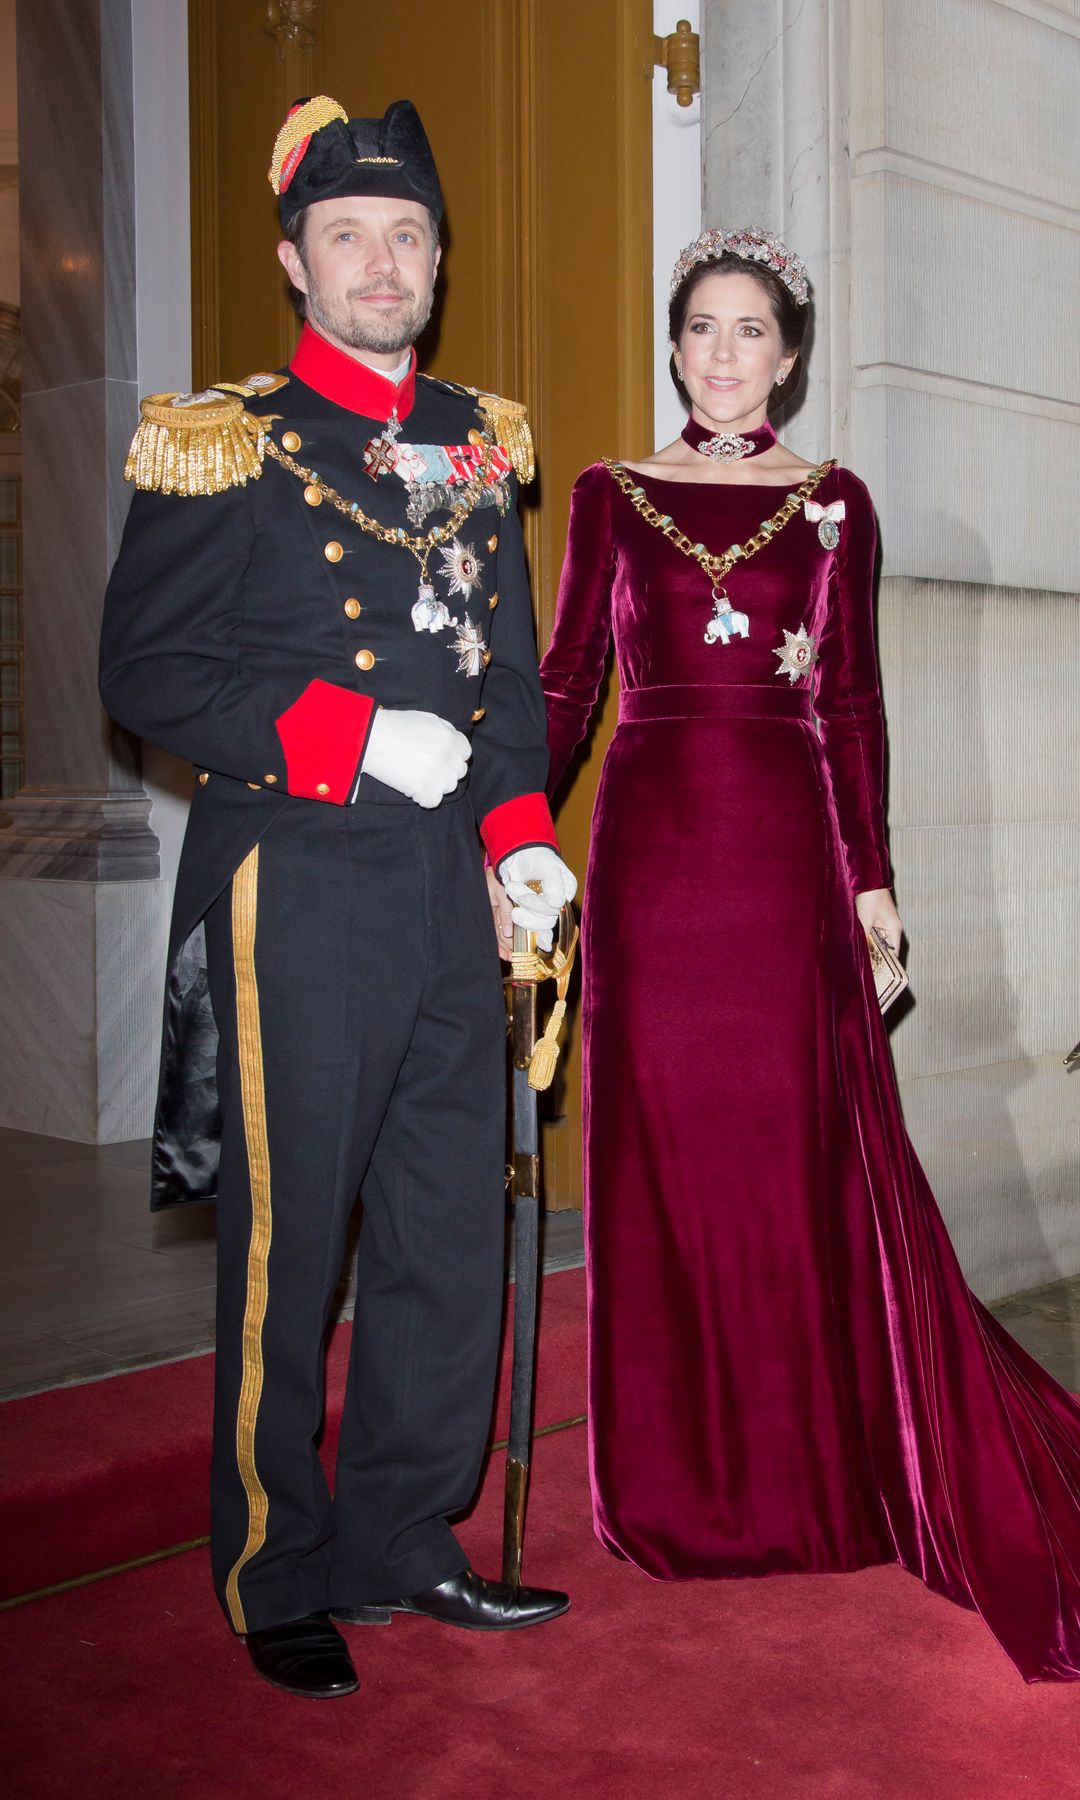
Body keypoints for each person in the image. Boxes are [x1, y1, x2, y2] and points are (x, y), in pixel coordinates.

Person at [533, 225, 1080, 1682]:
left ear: (788, 355)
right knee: (664, 1163)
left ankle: (812, 1475)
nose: (724, 355)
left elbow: (851, 708)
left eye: (751, 333)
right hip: (651, 869)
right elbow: (569, 679)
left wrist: (874, 883)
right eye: (702, 329)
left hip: (784, 872)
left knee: (786, 1165)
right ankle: (673, 1489)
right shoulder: (610, 496)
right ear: (676, 345)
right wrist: (505, 831)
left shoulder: (837, 506)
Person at [99, 96, 577, 1701]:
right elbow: (148, 667)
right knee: (291, 1245)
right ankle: (271, 1562)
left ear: (438, 268)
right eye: (352, 236)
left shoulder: (475, 436)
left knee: (449, 1231)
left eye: (411, 238)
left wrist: (522, 833)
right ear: (298, 261)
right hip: (294, 882)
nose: (385, 262)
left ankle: (401, 1535)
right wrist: (351, 733)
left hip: (453, 894)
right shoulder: (223, 434)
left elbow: (505, 675)